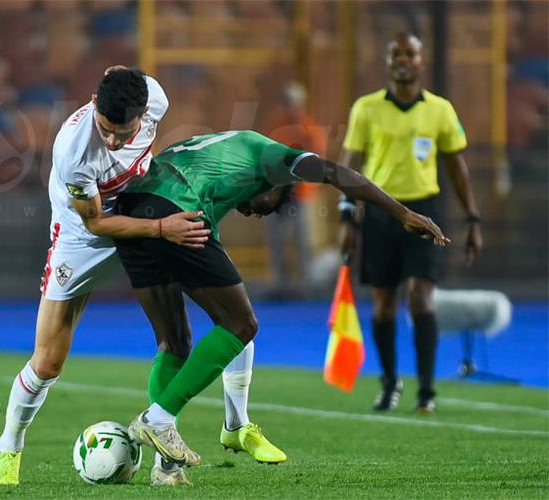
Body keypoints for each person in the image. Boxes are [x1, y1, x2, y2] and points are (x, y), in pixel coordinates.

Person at [113, 130, 448, 470]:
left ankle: (166, 466)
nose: (253, 214)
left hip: (130, 211)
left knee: (174, 342)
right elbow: (338, 174)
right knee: (241, 323)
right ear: (276, 184)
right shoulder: (272, 157)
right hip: (175, 206)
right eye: (264, 208)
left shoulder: (217, 160)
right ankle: (159, 417)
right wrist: (401, 213)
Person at [0, 67, 209, 486]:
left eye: (123, 134)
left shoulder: (155, 98)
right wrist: (164, 229)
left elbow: (119, 74)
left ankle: (170, 461)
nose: (113, 141)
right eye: (106, 130)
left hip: (141, 217)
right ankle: (8, 449)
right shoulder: (73, 149)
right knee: (48, 361)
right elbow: (95, 224)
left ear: (144, 112)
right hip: (82, 239)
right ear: (93, 105)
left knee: (183, 333)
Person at [338, 33, 482, 414]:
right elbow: (350, 165)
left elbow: (457, 167)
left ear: (422, 61)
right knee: (384, 304)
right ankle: (389, 383)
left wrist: (472, 218)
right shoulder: (366, 108)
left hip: (425, 210)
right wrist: (346, 216)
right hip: (381, 210)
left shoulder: (440, 110)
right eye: (396, 53)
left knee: (420, 298)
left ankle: (427, 391)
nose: (403, 59)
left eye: (410, 54)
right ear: (387, 62)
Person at [264, 82, 328, 295]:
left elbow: (318, 161)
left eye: (293, 103)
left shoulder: (310, 130)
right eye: (287, 103)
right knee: (277, 240)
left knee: (304, 240)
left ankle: (306, 285)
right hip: (279, 192)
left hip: (301, 193)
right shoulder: (277, 128)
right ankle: (280, 283)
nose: (290, 107)